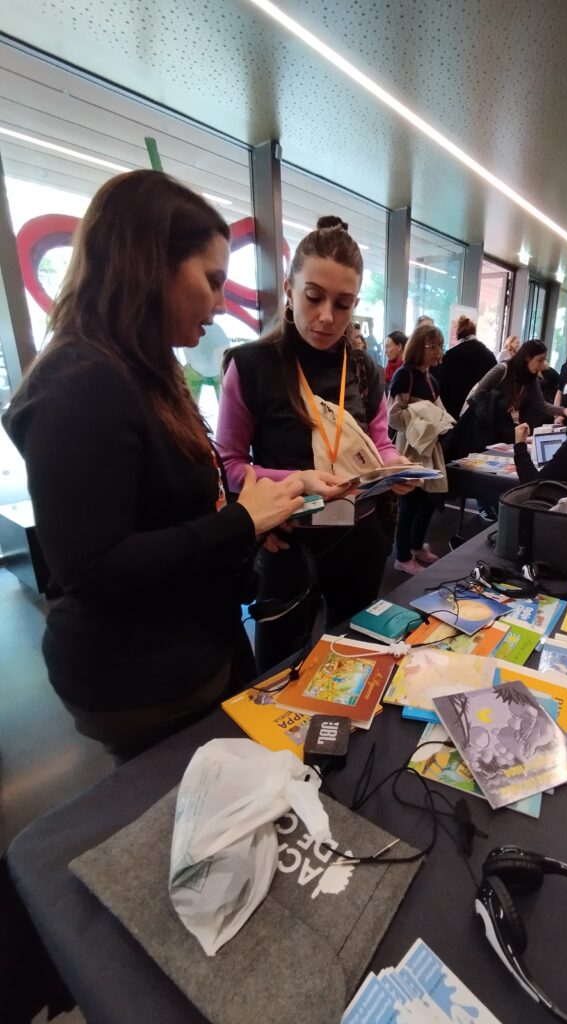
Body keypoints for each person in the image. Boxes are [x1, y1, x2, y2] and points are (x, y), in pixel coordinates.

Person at [1, 170, 307, 759]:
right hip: (141, 678)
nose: (221, 304)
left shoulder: (145, 370)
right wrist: (239, 523)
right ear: (151, 263)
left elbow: (174, 509)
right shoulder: (81, 383)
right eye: (212, 280)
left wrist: (253, 520)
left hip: (197, 645)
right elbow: (93, 568)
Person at [216, 215, 413, 671]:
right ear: (289, 290)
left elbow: (378, 444)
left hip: (360, 536)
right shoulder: (251, 365)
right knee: (279, 668)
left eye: (342, 304)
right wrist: (298, 480)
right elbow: (230, 465)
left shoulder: (364, 369)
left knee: (357, 660)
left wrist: (394, 466)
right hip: (287, 541)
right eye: (313, 297)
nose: (327, 316)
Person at [388, 324, 452, 575]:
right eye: (432, 346)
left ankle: (415, 546)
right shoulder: (405, 375)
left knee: (428, 500)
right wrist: (424, 415)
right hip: (411, 448)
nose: (438, 351)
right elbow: (394, 417)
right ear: (418, 347)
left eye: (440, 346)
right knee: (410, 502)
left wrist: (437, 420)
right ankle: (402, 557)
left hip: (430, 446)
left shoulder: (431, 378)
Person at [467, 339, 565, 436]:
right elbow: (476, 395)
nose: (542, 365)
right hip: (485, 427)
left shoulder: (531, 377)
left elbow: (540, 404)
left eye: (544, 360)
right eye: (539, 360)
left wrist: (564, 411)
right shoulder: (502, 369)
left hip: (505, 428)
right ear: (527, 357)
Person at [436, 314, 497, 420]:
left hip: (452, 413)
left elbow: (442, 387)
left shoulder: (450, 356)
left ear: (458, 334)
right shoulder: (489, 356)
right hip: (478, 414)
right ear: (474, 332)